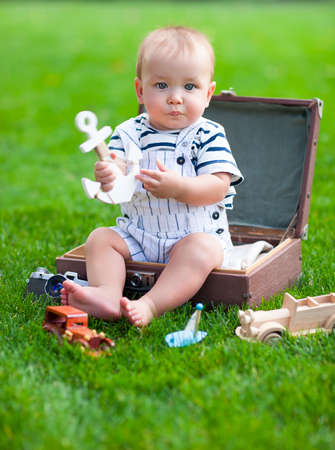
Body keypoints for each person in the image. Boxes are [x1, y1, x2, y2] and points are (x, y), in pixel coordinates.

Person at [61, 26, 243, 326]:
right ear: (140, 91)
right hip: (139, 235)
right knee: (100, 239)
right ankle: (107, 293)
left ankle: (149, 304)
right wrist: (109, 174)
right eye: (161, 85)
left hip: (191, 236)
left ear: (208, 94)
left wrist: (180, 187)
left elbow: (218, 187)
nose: (175, 98)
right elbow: (117, 175)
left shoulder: (208, 134)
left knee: (202, 250)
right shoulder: (128, 133)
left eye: (189, 87)